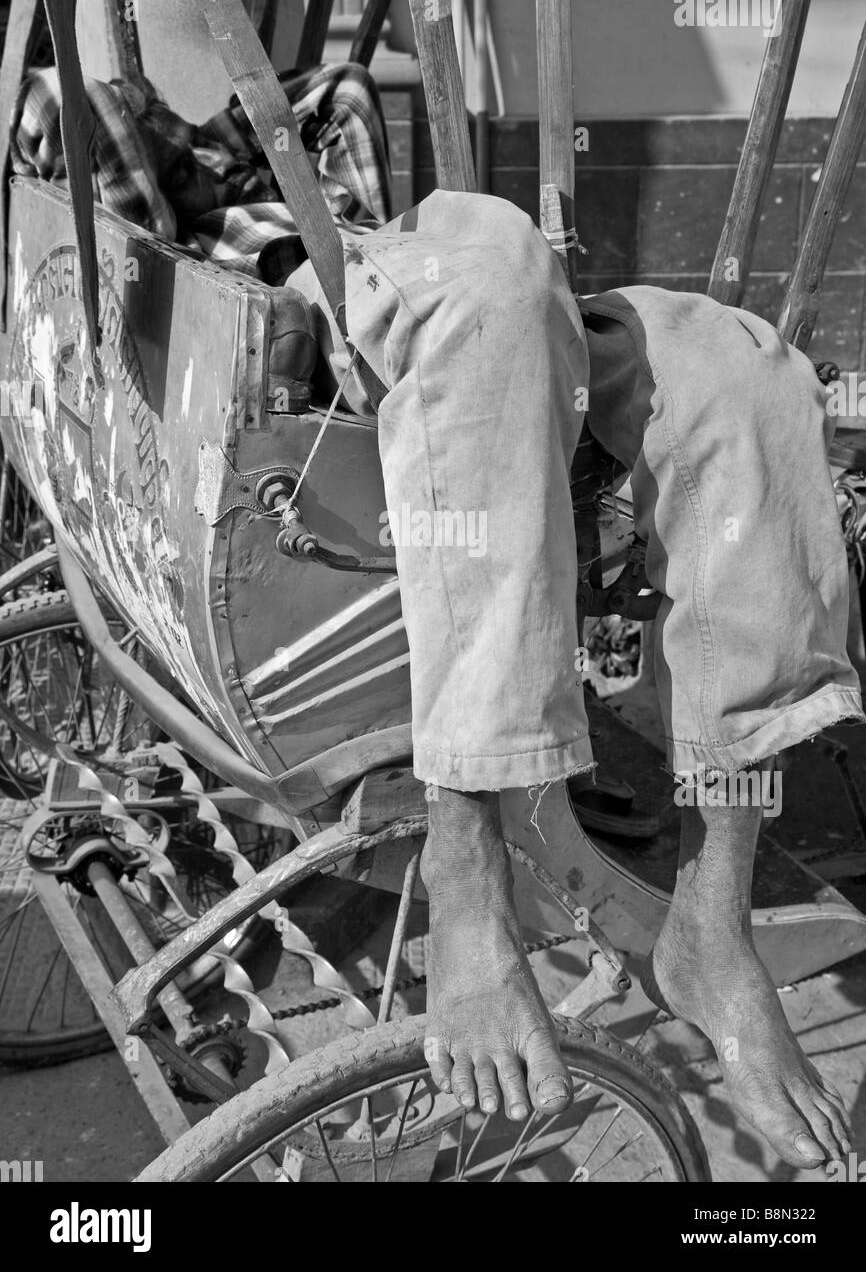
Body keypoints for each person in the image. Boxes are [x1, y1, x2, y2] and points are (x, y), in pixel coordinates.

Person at [12, 64, 861, 1170]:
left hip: (364, 262)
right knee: (494, 272)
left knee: (748, 381)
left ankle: (712, 915)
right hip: (342, 293)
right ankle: (469, 884)